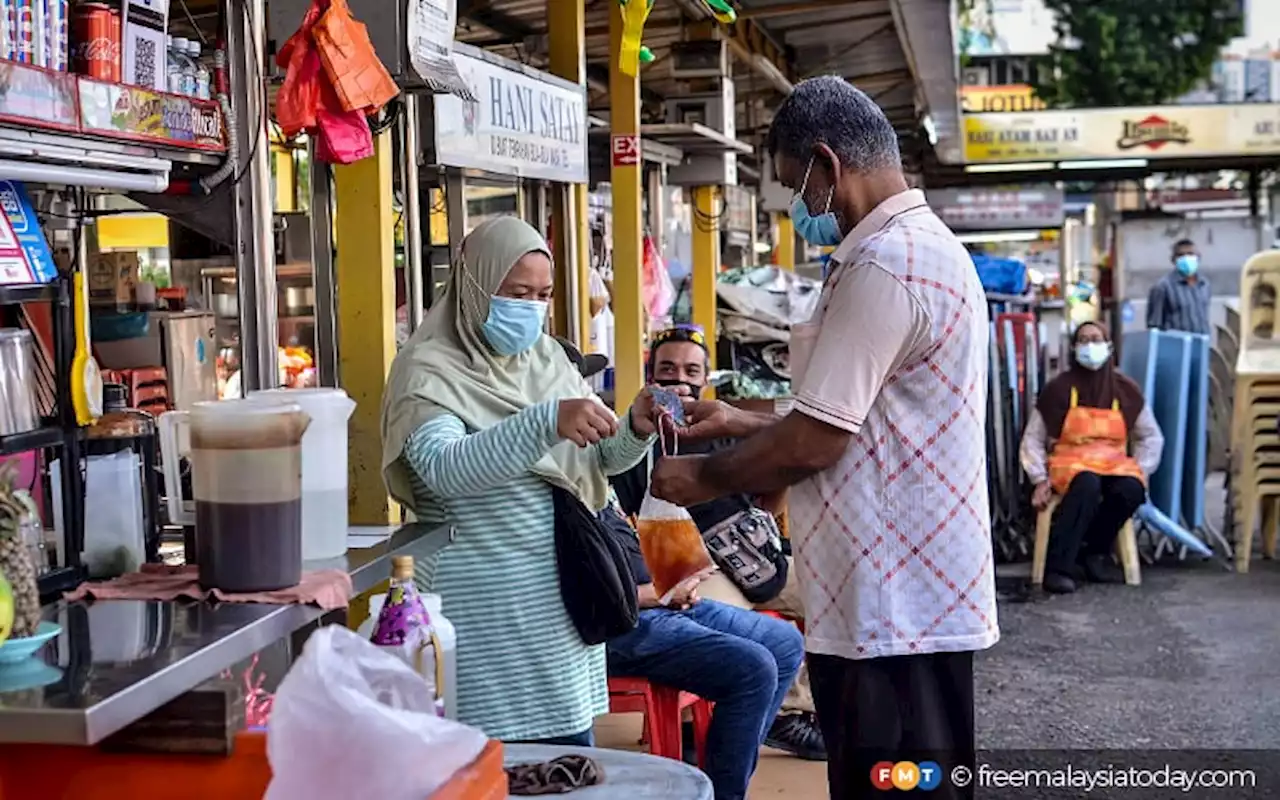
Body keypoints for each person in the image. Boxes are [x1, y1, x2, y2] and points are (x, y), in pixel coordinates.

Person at [649, 76, 998, 800]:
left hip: (894, 607)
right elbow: (864, 416)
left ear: (826, 163)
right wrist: (744, 421)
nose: (799, 207)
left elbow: (816, 442)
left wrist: (701, 480)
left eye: (792, 186)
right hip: (900, 597)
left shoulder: (887, 263)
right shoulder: (908, 250)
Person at [380, 216, 660, 746]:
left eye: (543, 294)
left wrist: (634, 429)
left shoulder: (547, 358)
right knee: (495, 765)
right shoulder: (428, 369)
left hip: (562, 610)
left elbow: (597, 463)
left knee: (568, 764)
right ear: (475, 284)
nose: (531, 306)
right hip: (483, 615)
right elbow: (444, 469)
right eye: (517, 292)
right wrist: (544, 421)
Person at [556, 336, 803, 800]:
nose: (588, 393)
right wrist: (659, 592)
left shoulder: (595, 453)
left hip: (667, 593)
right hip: (622, 618)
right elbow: (580, 591)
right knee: (753, 669)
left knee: (786, 641)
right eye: (575, 382)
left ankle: (722, 769)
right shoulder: (549, 470)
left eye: (692, 372)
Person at [611, 325, 826, 761]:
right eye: (667, 369)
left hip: (755, 559)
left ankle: (802, 707)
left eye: (692, 370)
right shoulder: (631, 440)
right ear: (650, 375)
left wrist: (770, 481)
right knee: (714, 622)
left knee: (829, 594)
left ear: (706, 378)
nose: (679, 379)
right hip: (687, 568)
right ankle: (744, 720)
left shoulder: (723, 426)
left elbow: (769, 501)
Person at [1020, 321, 1164, 594]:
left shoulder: (1126, 390)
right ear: (1074, 348)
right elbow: (1033, 439)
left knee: (1131, 490)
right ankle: (1058, 567)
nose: (1090, 346)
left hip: (1114, 464)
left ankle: (1094, 552)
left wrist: (1142, 469)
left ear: (1108, 346)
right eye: (1084, 340)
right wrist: (1038, 478)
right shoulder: (1058, 389)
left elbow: (1151, 436)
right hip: (1070, 466)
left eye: (1096, 339)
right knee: (1087, 484)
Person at [1146, 238, 1211, 334]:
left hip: (1201, 344)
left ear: (1198, 257)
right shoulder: (1162, 287)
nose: (1186, 258)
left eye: (1190, 254)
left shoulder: (1204, 284)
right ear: (1173, 260)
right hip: (1175, 346)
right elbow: (1154, 326)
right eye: (1181, 255)